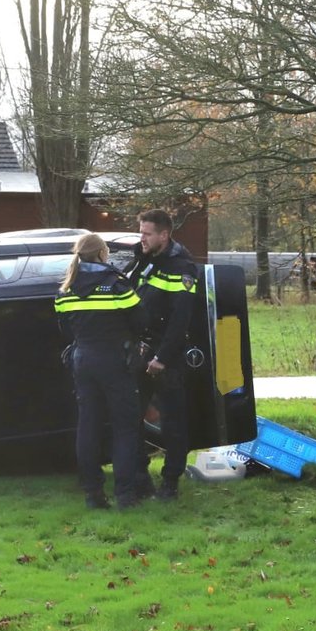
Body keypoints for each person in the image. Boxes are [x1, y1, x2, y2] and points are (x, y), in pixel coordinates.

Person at [54, 233, 148, 510]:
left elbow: (65, 329)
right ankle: (126, 495)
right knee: (125, 427)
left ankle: (93, 494)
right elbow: (141, 321)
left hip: (82, 360)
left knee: (88, 427)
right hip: (115, 360)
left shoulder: (65, 289)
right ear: (102, 254)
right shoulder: (117, 284)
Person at [130, 208, 200, 501]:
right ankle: (140, 478)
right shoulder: (148, 259)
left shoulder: (181, 268)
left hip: (164, 357)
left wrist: (162, 358)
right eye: (140, 232)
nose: (142, 238)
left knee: (172, 423)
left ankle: (170, 482)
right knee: (130, 417)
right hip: (141, 350)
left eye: (147, 234)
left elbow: (179, 321)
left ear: (164, 234)